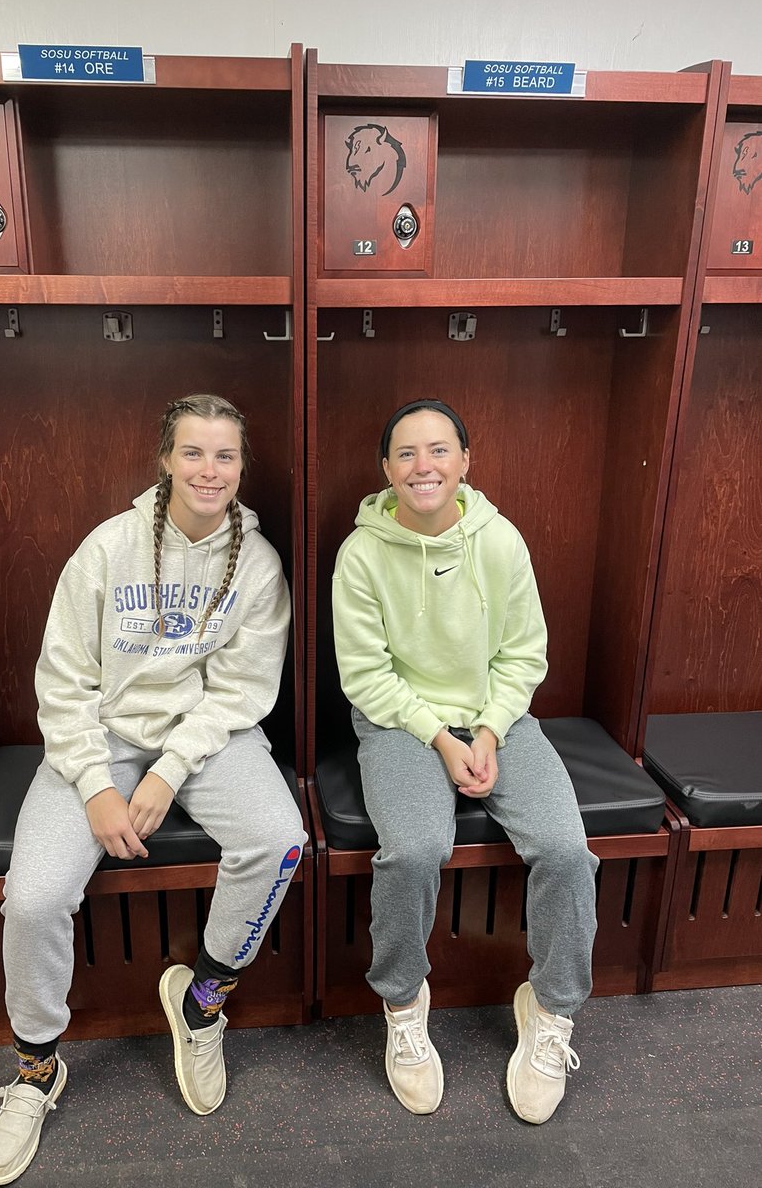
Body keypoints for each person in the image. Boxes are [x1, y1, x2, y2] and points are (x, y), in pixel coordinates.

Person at [0, 394, 305, 1186]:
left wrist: (170, 768)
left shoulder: (257, 564)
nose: (209, 470)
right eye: (193, 453)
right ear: (165, 460)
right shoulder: (108, 547)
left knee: (281, 840)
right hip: (101, 737)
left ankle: (203, 1003)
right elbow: (62, 682)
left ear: (241, 467)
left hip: (209, 737)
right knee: (33, 897)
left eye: (224, 455)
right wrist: (96, 786)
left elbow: (242, 691)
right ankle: (35, 1070)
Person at [331, 399, 598, 1123]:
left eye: (440, 450)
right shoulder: (362, 554)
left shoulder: (500, 539)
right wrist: (442, 739)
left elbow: (524, 653)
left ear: (465, 461)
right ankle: (403, 1005)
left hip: (494, 716)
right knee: (415, 849)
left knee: (567, 850)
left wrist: (488, 729)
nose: (424, 466)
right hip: (398, 722)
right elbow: (366, 676)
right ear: (386, 470)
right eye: (407, 453)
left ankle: (551, 1011)